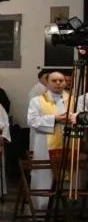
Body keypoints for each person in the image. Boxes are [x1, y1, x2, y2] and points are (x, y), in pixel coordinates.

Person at [27, 71, 71, 210]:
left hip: (66, 143)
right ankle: (43, 207)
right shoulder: (37, 100)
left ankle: (64, 208)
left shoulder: (71, 100)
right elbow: (32, 121)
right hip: (44, 145)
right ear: (47, 82)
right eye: (54, 80)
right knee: (44, 175)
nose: (58, 83)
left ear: (65, 82)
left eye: (61, 80)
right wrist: (55, 119)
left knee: (65, 173)